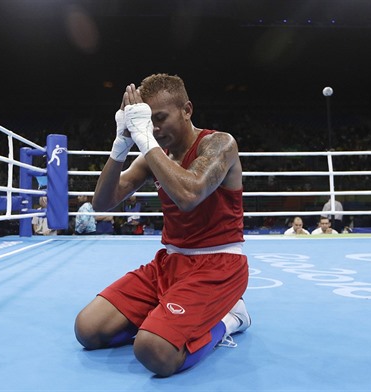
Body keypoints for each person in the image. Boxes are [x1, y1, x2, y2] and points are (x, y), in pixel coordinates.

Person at [74, 73, 250, 378]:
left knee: (154, 350)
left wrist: (144, 138)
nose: (153, 128)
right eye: (146, 120)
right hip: (168, 264)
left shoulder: (220, 144)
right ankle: (166, 318)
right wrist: (121, 143)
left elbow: (189, 194)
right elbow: (101, 203)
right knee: (88, 329)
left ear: (187, 110)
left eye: (161, 117)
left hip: (218, 266)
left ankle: (231, 318)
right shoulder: (154, 156)